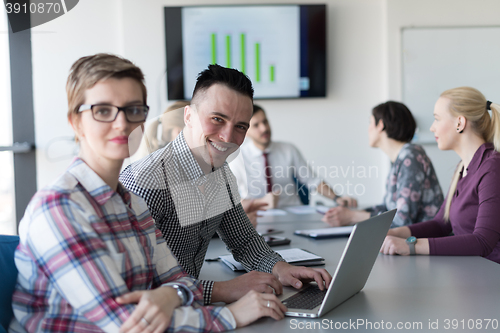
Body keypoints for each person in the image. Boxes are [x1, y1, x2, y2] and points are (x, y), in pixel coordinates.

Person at [10, 54, 288, 333]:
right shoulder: (59, 209)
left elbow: (175, 281)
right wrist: (232, 315)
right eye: (103, 111)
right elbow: (125, 323)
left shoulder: (130, 202)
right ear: (76, 122)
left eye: (133, 110)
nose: (121, 124)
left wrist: (175, 294)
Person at [120, 64, 331, 306]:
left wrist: (280, 268)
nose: (228, 137)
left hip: (190, 307)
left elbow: (244, 241)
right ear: (188, 116)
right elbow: (140, 286)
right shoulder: (146, 182)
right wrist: (221, 290)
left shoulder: (219, 172)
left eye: (240, 126)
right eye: (217, 119)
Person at [380, 87, 500, 264]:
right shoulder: (462, 167)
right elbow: (441, 224)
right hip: (470, 273)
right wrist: (394, 232)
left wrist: (410, 246)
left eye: (437, 119)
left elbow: (482, 242)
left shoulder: (492, 167)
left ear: (460, 122)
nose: (432, 127)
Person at [323, 101, 443, 228]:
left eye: (370, 122)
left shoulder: (410, 158)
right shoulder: (401, 158)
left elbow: (402, 220)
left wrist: (353, 216)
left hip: (420, 241)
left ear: (380, 125)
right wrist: (349, 213)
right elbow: (387, 208)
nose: (368, 129)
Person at [230, 104, 357, 209]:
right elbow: (231, 201)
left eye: (265, 122)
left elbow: (312, 180)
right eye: (256, 125)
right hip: (257, 216)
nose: (264, 128)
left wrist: (337, 198)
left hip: (292, 212)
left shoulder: (288, 150)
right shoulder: (237, 158)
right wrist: (261, 202)